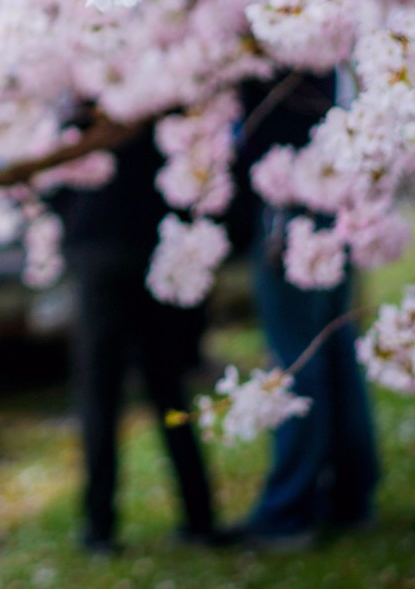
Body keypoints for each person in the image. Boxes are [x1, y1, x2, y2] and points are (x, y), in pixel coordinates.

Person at [231, 72, 382, 548]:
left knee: (297, 356)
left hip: (288, 198)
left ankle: (289, 508)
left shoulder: (261, 20)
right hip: (327, 191)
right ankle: (351, 492)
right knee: (333, 345)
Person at [58, 119, 223, 554]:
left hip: (100, 252)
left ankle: (99, 527)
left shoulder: (76, 103)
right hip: (153, 246)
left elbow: (53, 179)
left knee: (100, 396)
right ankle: (199, 514)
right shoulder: (160, 102)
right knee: (167, 388)